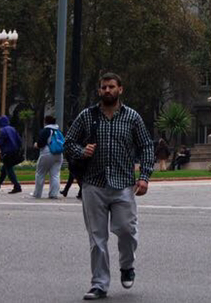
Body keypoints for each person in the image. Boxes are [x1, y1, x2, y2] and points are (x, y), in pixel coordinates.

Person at [64, 71, 155, 300]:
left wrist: (144, 176)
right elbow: (68, 142)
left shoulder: (132, 117)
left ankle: (127, 265)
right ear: (99, 90)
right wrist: (81, 151)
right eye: (104, 87)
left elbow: (146, 146)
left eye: (111, 87)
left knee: (127, 230)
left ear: (120, 89)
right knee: (97, 238)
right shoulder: (87, 116)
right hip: (93, 185)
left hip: (123, 185)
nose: (107, 90)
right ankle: (99, 284)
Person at [32, 114, 64, 199]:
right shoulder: (58, 131)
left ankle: (37, 193)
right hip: (59, 154)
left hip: (47, 153)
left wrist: (36, 145)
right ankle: (53, 194)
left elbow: (41, 143)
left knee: (40, 173)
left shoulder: (46, 130)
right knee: (55, 175)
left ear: (45, 121)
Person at [0, 115, 23, 194]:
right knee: (4, 170)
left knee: (8, 170)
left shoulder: (3, 131)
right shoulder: (13, 129)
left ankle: (17, 186)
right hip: (15, 152)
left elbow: (0, 143)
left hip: (7, 153)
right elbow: (19, 140)